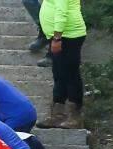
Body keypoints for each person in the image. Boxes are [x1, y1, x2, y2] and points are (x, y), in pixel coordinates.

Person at [36, 0, 87, 129]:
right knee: (59, 74)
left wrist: (57, 37)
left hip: (69, 36)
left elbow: (61, 11)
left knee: (71, 75)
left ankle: (74, 116)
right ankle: (57, 114)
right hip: (61, 36)